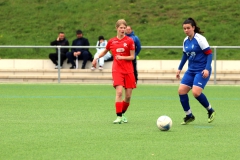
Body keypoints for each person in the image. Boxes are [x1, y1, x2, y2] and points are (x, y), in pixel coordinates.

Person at [92, 19, 136, 124]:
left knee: (128, 96)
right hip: (117, 70)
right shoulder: (112, 41)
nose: (123, 29)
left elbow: (132, 56)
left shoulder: (129, 41)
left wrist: (122, 57)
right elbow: (104, 51)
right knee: (119, 92)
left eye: (124, 28)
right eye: (121, 28)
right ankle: (119, 116)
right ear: (116, 28)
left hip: (129, 70)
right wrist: (96, 58)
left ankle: (123, 113)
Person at [176, 17, 216, 125]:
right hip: (191, 70)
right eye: (184, 28)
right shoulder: (185, 41)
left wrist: (207, 69)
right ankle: (189, 115)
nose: (186, 30)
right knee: (181, 91)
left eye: (188, 28)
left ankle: (210, 110)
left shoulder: (200, 39)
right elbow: (185, 55)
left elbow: (209, 54)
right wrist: (179, 69)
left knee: (196, 92)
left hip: (202, 70)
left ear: (193, 28)